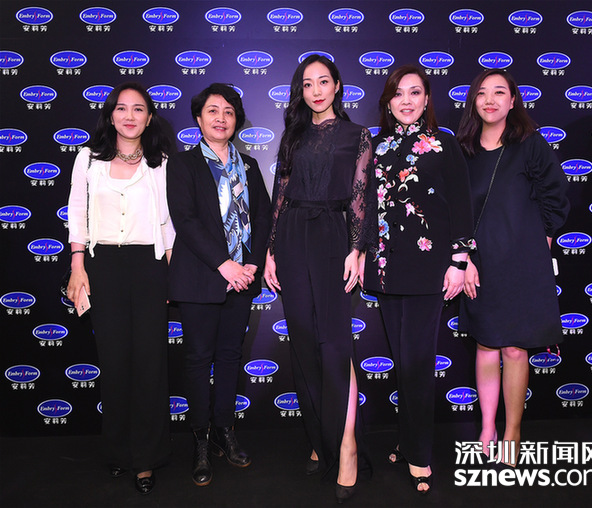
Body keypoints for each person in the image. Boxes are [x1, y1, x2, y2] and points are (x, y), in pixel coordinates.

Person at [264, 54, 375, 503]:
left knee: (335, 344)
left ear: (337, 85)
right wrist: (270, 250)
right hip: (292, 237)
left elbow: (362, 196)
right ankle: (319, 436)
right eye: (307, 84)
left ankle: (346, 446)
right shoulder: (293, 134)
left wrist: (357, 248)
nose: (315, 90)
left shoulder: (357, 135)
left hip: (332, 237)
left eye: (323, 81)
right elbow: (281, 193)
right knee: (305, 344)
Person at [363, 65, 476, 494]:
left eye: (415, 92)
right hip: (386, 269)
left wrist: (459, 260)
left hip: (429, 270)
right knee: (402, 361)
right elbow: (363, 206)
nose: (406, 100)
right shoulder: (375, 145)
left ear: (427, 99)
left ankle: (420, 454)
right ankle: (408, 439)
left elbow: (461, 204)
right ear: (388, 101)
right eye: (398, 93)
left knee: (417, 363)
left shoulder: (444, 143)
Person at [457, 69, 570, 466]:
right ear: (473, 101)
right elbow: (455, 212)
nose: (489, 100)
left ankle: (513, 430)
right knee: (487, 346)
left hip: (522, 262)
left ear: (512, 100)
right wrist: (464, 259)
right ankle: (487, 426)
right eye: (482, 93)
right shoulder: (463, 150)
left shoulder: (530, 144)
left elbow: (555, 193)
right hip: (480, 263)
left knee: (515, 350)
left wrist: (544, 237)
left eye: (499, 92)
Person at [66, 82, 175, 495]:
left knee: (150, 363)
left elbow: (168, 222)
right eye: (122, 108)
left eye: (139, 109)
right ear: (110, 115)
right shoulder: (87, 159)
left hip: (150, 267)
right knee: (114, 363)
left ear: (149, 117)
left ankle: (145, 460)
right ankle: (117, 451)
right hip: (103, 267)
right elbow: (77, 212)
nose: (130, 116)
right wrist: (78, 266)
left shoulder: (161, 162)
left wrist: (171, 273)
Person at [166, 84, 270, 487]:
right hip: (201, 278)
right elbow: (185, 220)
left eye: (228, 111)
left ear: (236, 119)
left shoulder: (249, 166)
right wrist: (225, 264)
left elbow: (263, 218)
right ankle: (199, 440)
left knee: (229, 357)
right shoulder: (183, 164)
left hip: (241, 280)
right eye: (213, 111)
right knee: (197, 360)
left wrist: (251, 263)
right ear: (198, 118)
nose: (221, 118)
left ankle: (225, 431)